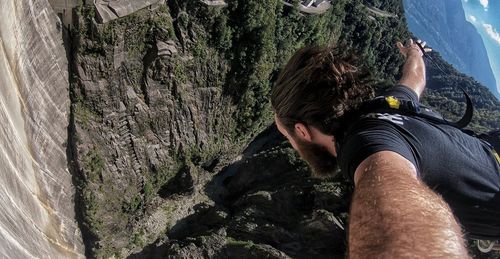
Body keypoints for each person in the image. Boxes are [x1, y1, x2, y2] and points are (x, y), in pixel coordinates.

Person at [271, 39, 500, 258]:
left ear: (301, 131)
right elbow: (414, 77)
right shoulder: (387, 104)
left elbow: (400, 235)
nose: (293, 146)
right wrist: (414, 52)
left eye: (287, 135)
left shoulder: (365, 148)